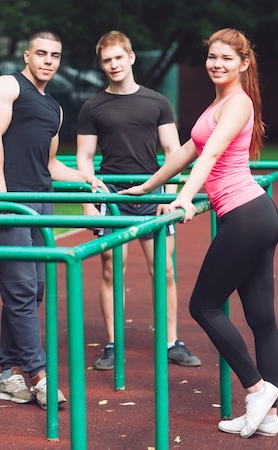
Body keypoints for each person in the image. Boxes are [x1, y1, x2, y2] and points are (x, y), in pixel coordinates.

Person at [122, 28, 278, 438]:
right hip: (256, 214)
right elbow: (188, 151)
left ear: (244, 64)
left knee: (203, 307)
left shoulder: (238, 104)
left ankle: (257, 389)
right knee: (261, 319)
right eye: (212, 56)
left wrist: (182, 199)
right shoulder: (219, 103)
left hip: (246, 215)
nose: (216, 64)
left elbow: (211, 154)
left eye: (226, 58)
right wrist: (149, 185)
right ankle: (269, 416)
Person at [0, 30, 98, 410]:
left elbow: (49, 165)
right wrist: (1, 198)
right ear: (27, 56)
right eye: (42, 53)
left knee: (34, 290)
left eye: (56, 56)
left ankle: (7, 373)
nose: (48, 60)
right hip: (11, 201)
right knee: (20, 289)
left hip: (40, 205)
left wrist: (84, 177)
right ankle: (37, 374)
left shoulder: (55, 109)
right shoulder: (6, 86)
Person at [76, 30, 201, 370]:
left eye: (119, 57)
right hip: (112, 198)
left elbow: (173, 151)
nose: (113, 65)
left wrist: (172, 196)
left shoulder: (158, 102)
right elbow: (85, 158)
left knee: (164, 270)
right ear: (102, 66)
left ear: (131, 58)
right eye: (107, 60)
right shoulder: (92, 107)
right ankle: (113, 344)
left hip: (152, 194)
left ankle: (172, 342)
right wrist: (88, 200)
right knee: (111, 271)